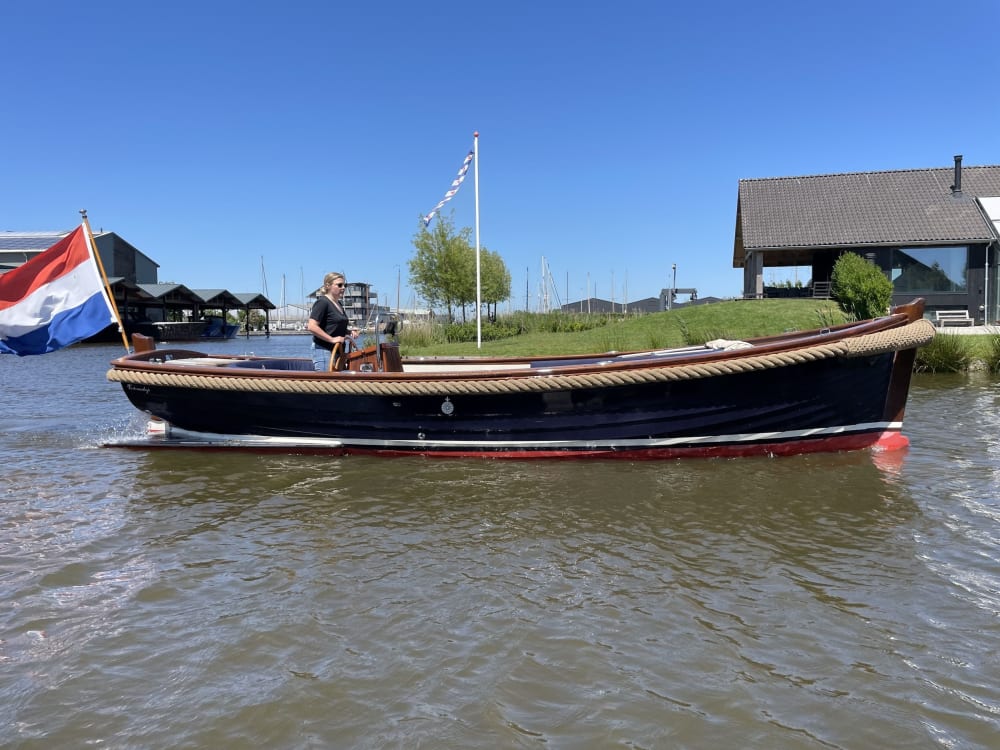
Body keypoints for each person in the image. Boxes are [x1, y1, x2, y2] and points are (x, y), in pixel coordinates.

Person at [307, 272, 358, 370]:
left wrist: (348, 332)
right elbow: (312, 326)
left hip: (339, 352)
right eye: (339, 285)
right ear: (328, 286)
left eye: (344, 285)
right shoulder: (322, 302)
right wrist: (332, 339)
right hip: (323, 350)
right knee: (327, 384)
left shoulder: (338, 304)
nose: (343, 288)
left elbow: (334, 327)